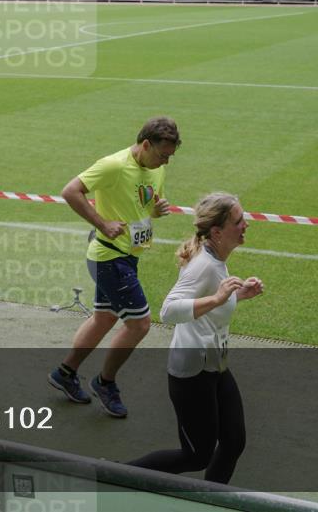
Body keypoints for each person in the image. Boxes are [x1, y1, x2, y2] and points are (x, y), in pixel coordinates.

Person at [128, 192, 263, 484]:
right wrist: (217, 298)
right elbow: (168, 311)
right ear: (217, 232)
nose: (245, 224)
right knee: (195, 455)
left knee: (233, 441)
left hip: (214, 366)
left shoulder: (216, 258)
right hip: (191, 375)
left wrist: (239, 295)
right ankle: (115, 473)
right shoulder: (204, 265)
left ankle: (210, 500)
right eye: (239, 221)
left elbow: (210, 306)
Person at [49, 117, 180, 418]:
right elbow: (70, 191)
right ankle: (105, 382)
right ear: (145, 144)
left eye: (170, 157)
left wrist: (155, 212)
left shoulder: (155, 167)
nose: (166, 162)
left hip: (126, 257)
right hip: (109, 258)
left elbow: (140, 206)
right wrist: (102, 223)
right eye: (162, 155)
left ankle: (64, 373)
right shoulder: (114, 165)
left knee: (104, 319)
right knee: (140, 324)